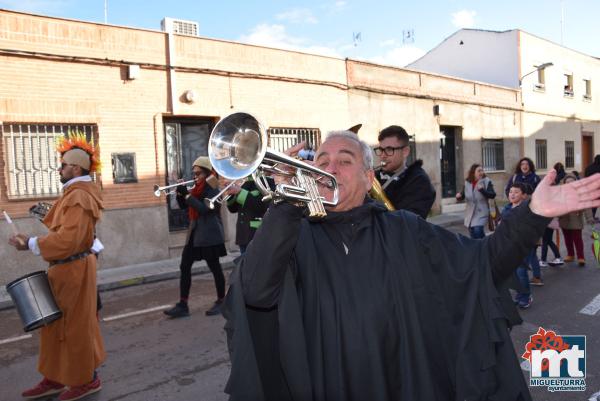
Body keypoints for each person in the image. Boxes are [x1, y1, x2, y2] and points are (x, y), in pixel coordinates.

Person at [222, 130, 600, 401]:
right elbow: (254, 292)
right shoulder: (290, 233)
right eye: (321, 161)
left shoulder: (404, 228)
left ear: (369, 178)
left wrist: (533, 213)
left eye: (344, 160)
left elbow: (482, 263)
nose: (330, 167)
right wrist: (286, 203)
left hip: (406, 381)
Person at [8, 134, 105, 401]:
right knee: (54, 326)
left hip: (74, 269)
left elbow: (69, 240)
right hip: (64, 269)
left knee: (75, 327)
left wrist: (29, 242)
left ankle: (86, 380)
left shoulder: (80, 196)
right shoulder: (73, 193)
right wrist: (40, 225)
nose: (59, 169)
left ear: (75, 168)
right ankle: (56, 378)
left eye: (63, 165)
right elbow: (62, 229)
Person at [164, 156, 227, 318]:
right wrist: (180, 194)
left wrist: (187, 196)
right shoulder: (197, 188)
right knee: (185, 266)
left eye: (198, 173)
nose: (195, 176)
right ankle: (183, 304)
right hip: (195, 232)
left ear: (207, 173)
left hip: (209, 234)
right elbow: (186, 205)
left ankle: (222, 300)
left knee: (215, 268)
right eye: (194, 173)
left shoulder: (212, 186)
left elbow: (205, 209)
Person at [373, 125, 435, 218]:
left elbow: (408, 222)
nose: (383, 156)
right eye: (381, 150)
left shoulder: (418, 182)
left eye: (389, 150)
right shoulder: (374, 176)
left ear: (405, 151)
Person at [501, 182, 534, 309]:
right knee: (513, 273)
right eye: (510, 192)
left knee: (521, 272)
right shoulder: (507, 208)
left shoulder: (527, 209)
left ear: (524, 195)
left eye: (516, 192)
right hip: (509, 246)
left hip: (523, 246)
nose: (512, 194)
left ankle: (526, 296)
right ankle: (520, 296)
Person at [224, 176, 271, 254]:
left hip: (256, 234)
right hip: (242, 234)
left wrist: (240, 192)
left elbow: (262, 206)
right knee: (244, 265)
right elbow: (233, 209)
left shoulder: (266, 182)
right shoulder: (244, 184)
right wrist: (231, 194)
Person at [559, 173, 594, 266]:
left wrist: (589, 218)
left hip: (576, 219)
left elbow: (587, 206)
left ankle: (581, 257)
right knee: (567, 239)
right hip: (564, 219)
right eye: (567, 182)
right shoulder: (560, 193)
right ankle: (570, 254)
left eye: (572, 182)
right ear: (564, 183)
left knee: (577, 239)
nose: (570, 183)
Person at [455, 163, 496, 239]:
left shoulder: (486, 181)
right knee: (472, 232)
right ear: (473, 173)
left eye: (482, 170)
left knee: (478, 230)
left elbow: (492, 195)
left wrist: (482, 190)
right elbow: (463, 195)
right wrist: (459, 197)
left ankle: (484, 246)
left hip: (482, 211)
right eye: (479, 171)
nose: (481, 172)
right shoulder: (467, 182)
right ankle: (478, 248)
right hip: (470, 212)